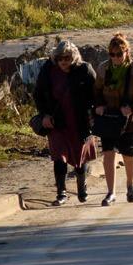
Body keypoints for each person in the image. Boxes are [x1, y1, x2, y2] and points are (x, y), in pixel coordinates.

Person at [33, 40, 97, 205]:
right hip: (57, 121)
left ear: (74, 57)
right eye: (60, 58)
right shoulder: (48, 70)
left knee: (79, 158)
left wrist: (95, 113)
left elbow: (96, 93)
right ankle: (61, 193)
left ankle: (82, 189)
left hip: (79, 121)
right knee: (59, 156)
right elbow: (38, 94)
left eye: (67, 58)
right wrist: (45, 115)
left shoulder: (84, 70)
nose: (63, 61)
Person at [94, 33, 133, 205]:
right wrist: (99, 106)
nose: (116, 58)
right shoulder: (104, 69)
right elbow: (96, 91)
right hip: (109, 118)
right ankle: (110, 192)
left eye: (119, 54)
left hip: (129, 120)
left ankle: (130, 183)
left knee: (128, 154)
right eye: (112, 54)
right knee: (108, 154)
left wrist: (131, 108)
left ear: (127, 52)